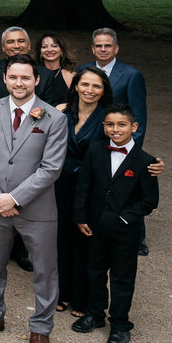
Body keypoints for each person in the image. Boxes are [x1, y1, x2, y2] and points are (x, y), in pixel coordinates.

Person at [0, 55, 67, 343]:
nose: (19, 83)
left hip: (36, 209)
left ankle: (40, 328)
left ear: (36, 80)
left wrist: (15, 198)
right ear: (6, 79)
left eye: (26, 78)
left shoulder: (54, 118)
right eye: (13, 77)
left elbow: (51, 169)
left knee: (44, 270)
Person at [73, 105, 159, 343]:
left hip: (125, 232)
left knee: (122, 278)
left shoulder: (146, 162)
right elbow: (84, 186)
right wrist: (81, 217)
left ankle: (120, 324)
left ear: (134, 127)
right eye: (110, 124)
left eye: (121, 124)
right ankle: (95, 313)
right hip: (94, 226)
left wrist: (124, 219)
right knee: (95, 271)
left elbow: (149, 201)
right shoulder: (95, 150)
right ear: (104, 127)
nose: (115, 129)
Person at [55, 67, 112, 317]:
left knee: (85, 240)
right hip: (58, 183)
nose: (90, 90)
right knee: (60, 238)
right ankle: (61, 292)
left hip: (90, 186)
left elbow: (125, 149)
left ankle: (81, 296)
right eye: (85, 84)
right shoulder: (60, 111)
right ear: (76, 86)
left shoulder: (108, 118)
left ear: (103, 91)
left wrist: (152, 165)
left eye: (96, 86)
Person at [84, 28, 147, 143]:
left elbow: (138, 116)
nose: (103, 49)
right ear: (93, 49)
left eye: (107, 46)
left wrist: (131, 152)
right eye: (98, 46)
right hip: (85, 139)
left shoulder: (131, 75)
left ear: (116, 49)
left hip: (115, 140)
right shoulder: (82, 70)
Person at [38, 33, 75, 108]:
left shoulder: (71, 75)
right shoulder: (33, 73)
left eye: (54, 46)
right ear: (40, 52)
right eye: (44, 47)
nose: (49, 50)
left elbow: (76, 102)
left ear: (62, 50)